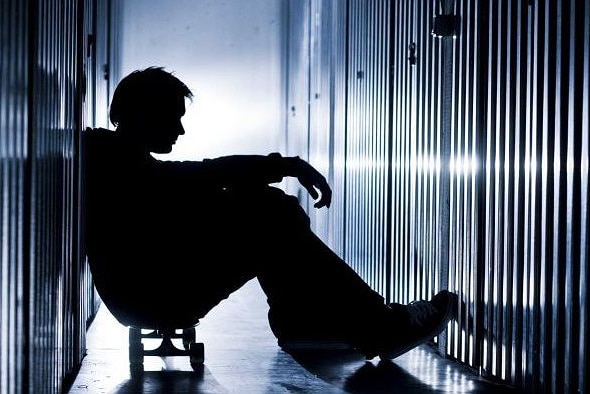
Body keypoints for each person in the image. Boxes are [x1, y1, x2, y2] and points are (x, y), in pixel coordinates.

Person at [83, 66, 455, 360]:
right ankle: (376, 327)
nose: (180, 130)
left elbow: (192, 181)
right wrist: (287, 166)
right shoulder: (113, 162)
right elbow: (197, 175)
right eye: (171, 117)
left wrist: (270, 178)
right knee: (270, 213)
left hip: (150, 289)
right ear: (142, 114)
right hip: (153, 296)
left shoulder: (115, 158)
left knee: (268, 209)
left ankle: (306, 324)